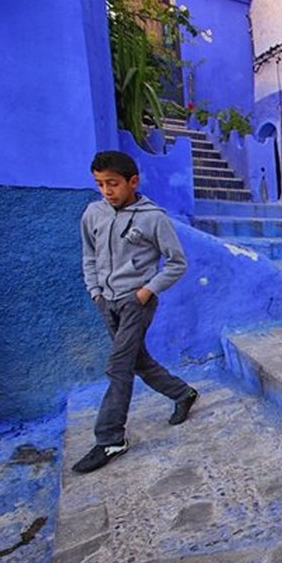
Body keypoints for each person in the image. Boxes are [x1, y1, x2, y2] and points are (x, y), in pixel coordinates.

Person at [75, 151, 198, 473]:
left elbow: (177, 263)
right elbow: (89, 255)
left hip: (136, 302)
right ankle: (182, 392)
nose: (107, 191)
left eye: (113, 184)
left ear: (133, 182)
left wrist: (146, 291)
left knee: (118, 366)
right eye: (100, 184)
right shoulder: (93, 214)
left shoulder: (153, 218)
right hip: (107, 301)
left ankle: (110, 439)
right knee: (137, 361)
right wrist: (95, 292)